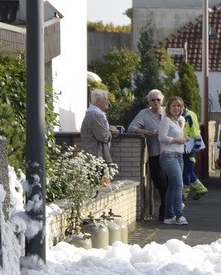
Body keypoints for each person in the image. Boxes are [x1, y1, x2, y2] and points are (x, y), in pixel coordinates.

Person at [128, 89, 168, 219]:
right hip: (155, 153)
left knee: (171, 183)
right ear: (149, 102)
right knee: (161, 184)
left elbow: (181, 122)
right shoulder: (144, 114)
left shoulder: (168, 112)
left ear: (162, 100)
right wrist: (148, 132)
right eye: (153, 100)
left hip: (170, 153)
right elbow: (131, 128)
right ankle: (165, 210)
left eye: (158, 99)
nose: (156, 102)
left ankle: (166, 212)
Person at [157, 96, 190, 225]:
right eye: (174, 106)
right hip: (168, 156)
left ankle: (169, 215)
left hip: (178, 156)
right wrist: (178, 140)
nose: (176, 108)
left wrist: (183, 138)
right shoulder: (166, 120)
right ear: (168, 108)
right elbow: (162, 137)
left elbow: (181, 122)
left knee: (172, 187)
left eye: (179, 106)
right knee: (178, 186)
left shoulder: (176, 121)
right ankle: (179, 215)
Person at [80, 89, 120, 162]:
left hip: (97, 156)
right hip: (95, 157)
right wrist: (111, 131)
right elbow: (103, 136)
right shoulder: (94, 115)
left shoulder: (96, 114)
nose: (108, 102)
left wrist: (108, 128)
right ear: (98, 101)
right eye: (106, 99)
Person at [181, 105, 208, 201]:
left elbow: (195, 130)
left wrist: (197, 145)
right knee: (187, 170)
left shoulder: (190, 115)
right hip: (184, 147)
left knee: (186, 171)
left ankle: (184, 193)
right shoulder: (179, 115)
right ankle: (201, 189)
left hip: (190, 147)